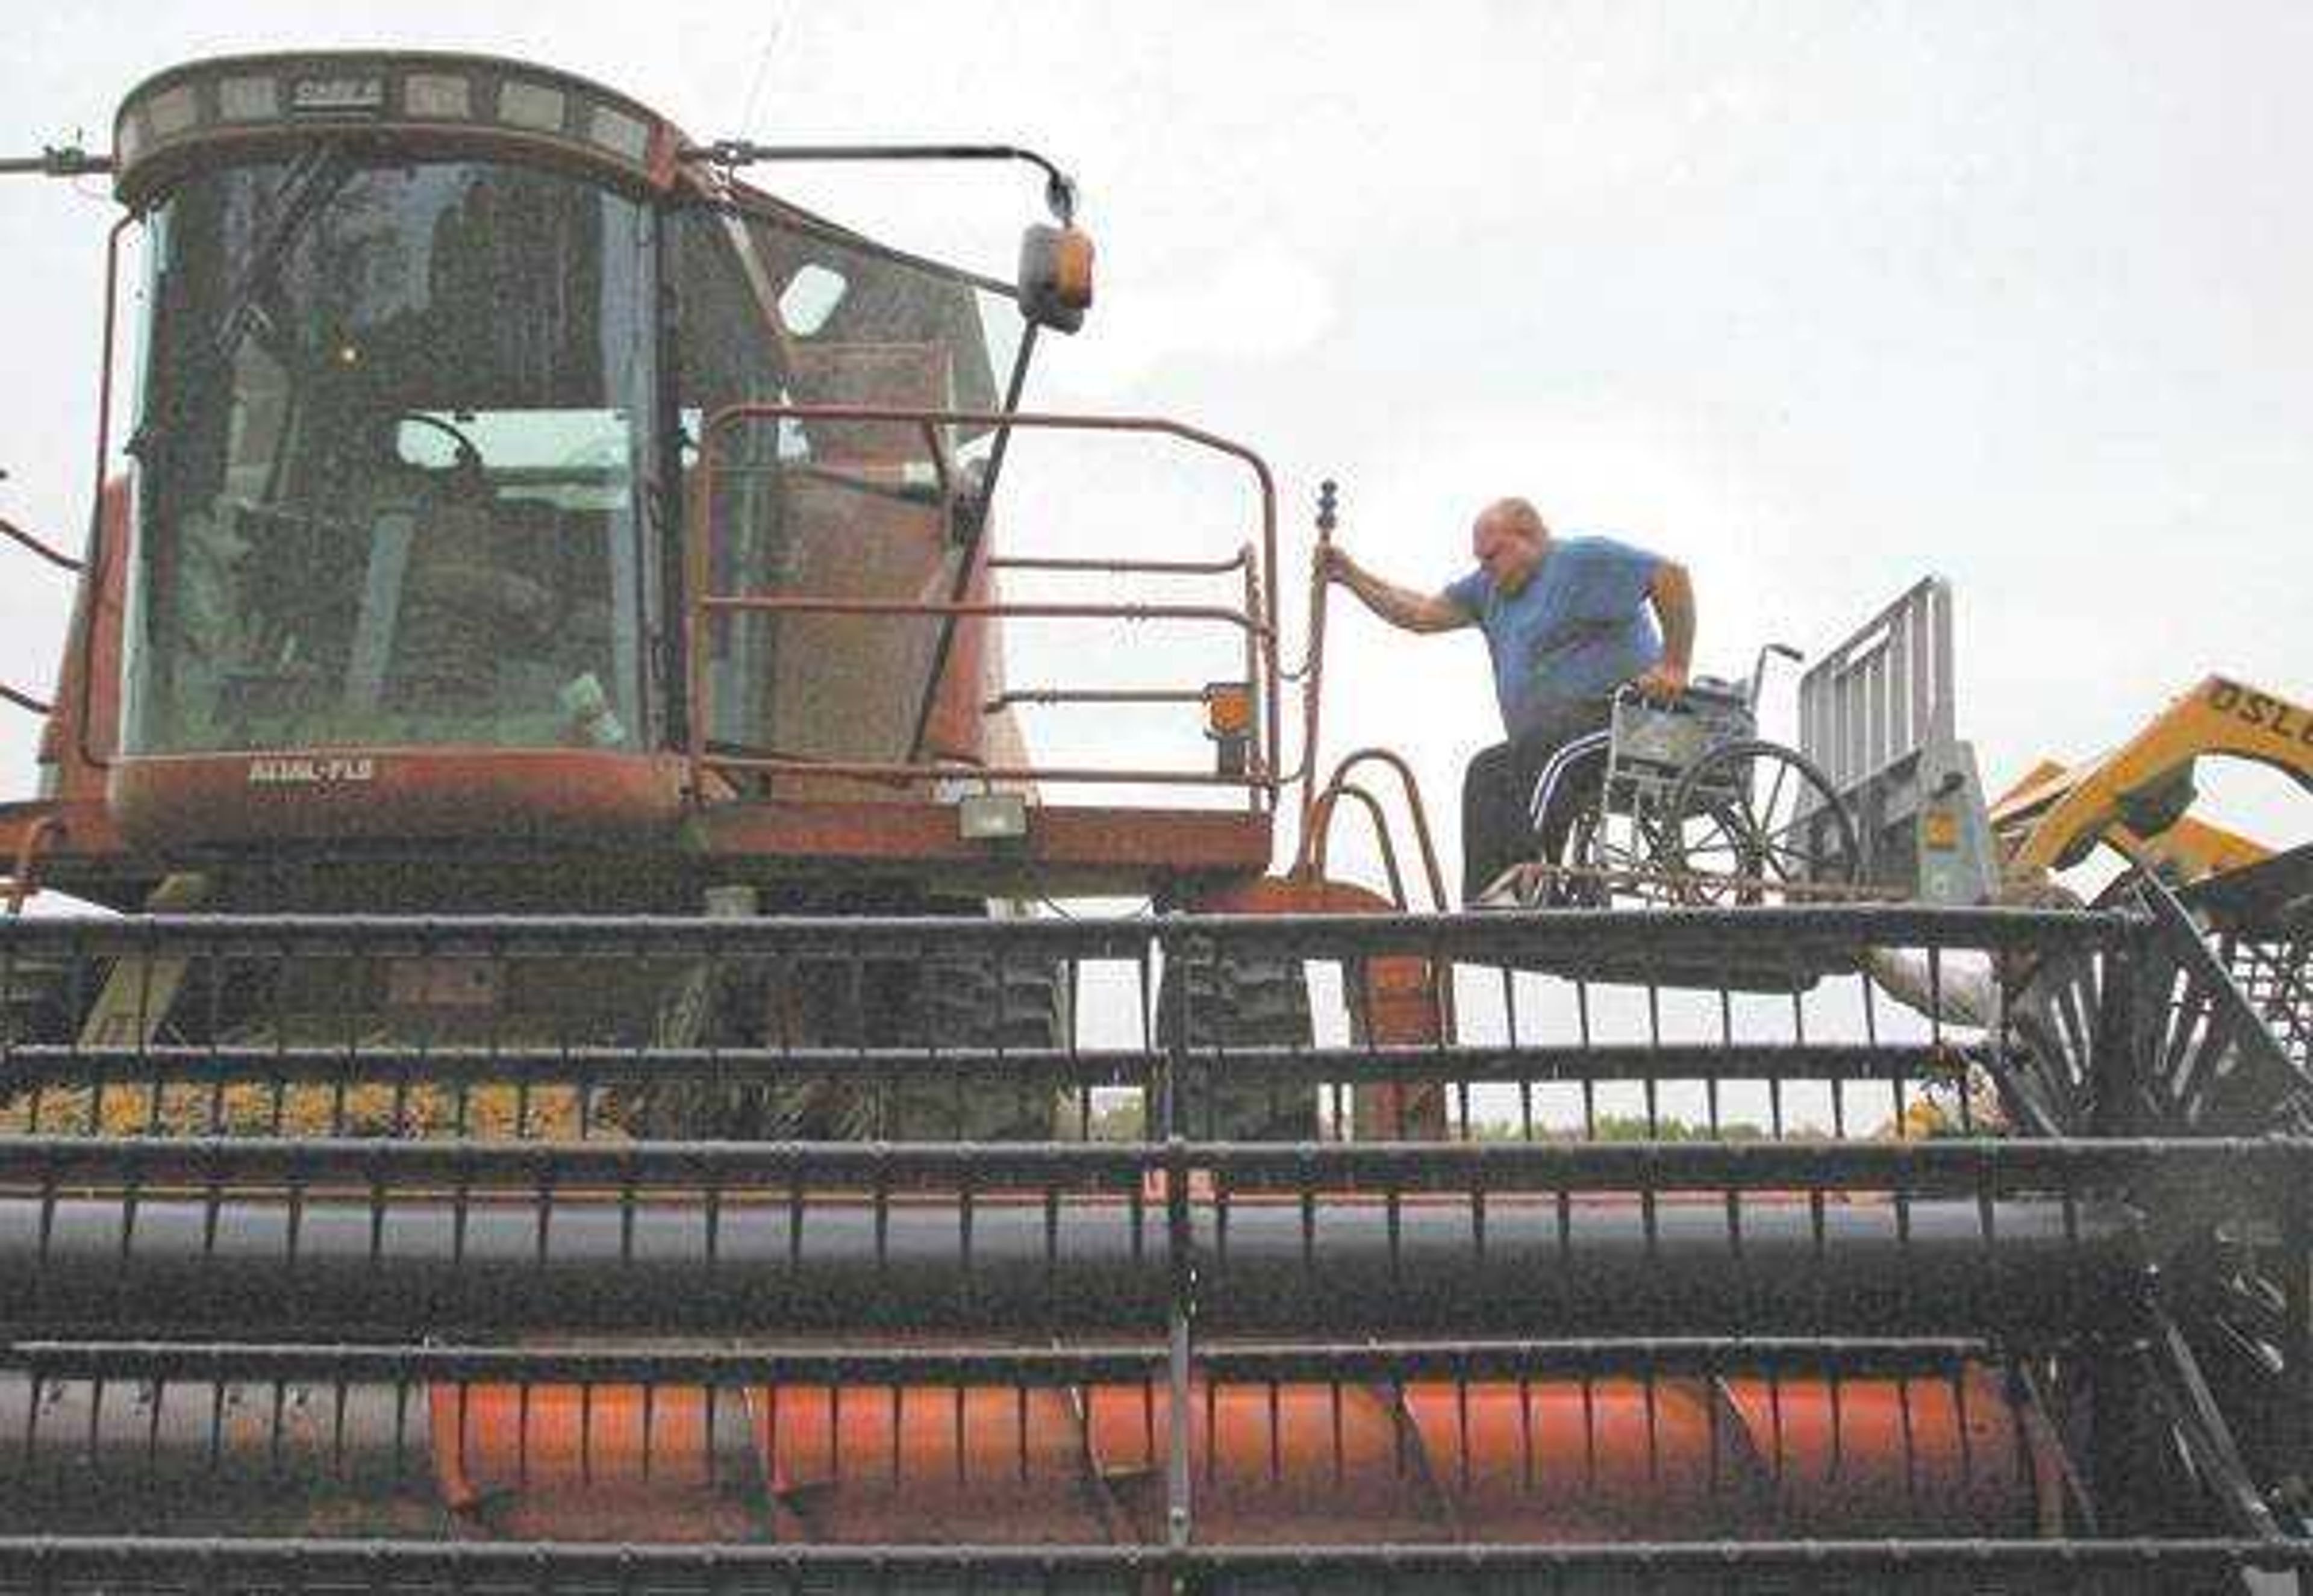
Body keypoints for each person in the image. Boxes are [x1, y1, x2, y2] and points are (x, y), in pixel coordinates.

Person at [1320, 497, 1696, 903]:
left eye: (1493, 555)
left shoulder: (1582, 561)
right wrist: (1350, 576)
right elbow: (1421, 614)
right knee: (1488, 769)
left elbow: (1671, 576)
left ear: (1530, 539)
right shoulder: (1491, 588)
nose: (1485, 568)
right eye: (1480, 559)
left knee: (1545, 755)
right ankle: (1490, 895)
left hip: (1628, 723)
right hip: (1555, 735)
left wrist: (1675, 665)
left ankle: (1533, 882)